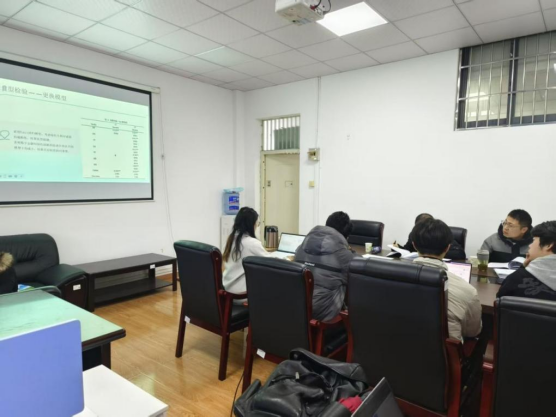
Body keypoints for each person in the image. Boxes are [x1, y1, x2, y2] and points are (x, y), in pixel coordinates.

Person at [412, 218, 482, 341]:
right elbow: (473, 331)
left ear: (414, 245)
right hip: (442, 353)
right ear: (447, 248)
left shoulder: (386, 279)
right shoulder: (468, 291)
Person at [295, 212, 357, 322]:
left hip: (299, 306)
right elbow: (357, 275)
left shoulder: (300, 248)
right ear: (345, 236)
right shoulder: (344, 256)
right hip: (323, 313)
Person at [498, 221, 556, 301]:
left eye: (534, 240)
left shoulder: (517, 278)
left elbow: (499, 300)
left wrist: (523, 268)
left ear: (548, 245)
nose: (530, 245)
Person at [223, 207, 269, 297]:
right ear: (251, 224)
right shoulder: (252, 243)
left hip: (228, 289)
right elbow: (271, 263)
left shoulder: (231, 239)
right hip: (242, 294)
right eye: (257, 223)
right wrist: (286, 258)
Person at [400, 213, 467, 260]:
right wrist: (397, 247)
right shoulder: (414, 234)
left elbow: (460, 254)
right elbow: (407, 249)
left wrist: (432, 254)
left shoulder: (441, 235)